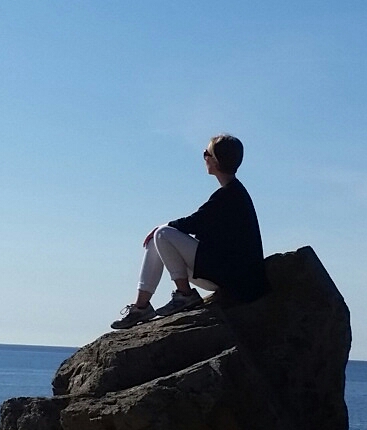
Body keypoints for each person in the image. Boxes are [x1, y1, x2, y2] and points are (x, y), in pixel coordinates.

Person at [111, 134, 268, 330]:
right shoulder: (232, 193)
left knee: (162, 234)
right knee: (157, 240)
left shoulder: (230, 195)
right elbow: (200, 223)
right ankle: (141, 307)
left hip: (231, 280)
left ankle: (185, 295)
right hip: (222, 272)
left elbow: (195, 222)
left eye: (206, 153)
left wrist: (164, 226)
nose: (204, 157)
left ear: (216, 159)